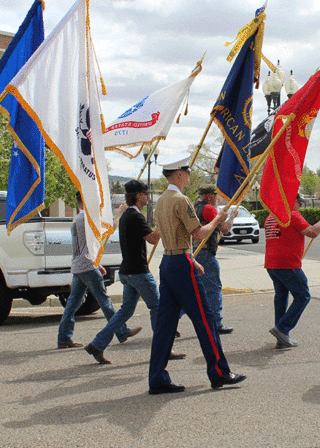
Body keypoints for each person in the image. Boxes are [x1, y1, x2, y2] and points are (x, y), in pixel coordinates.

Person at [148, 155, 246, 394]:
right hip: (181, 263)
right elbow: (199, 234)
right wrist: (218, 220)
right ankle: (219, 372)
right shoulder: (180, 200)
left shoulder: (161, 200)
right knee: (205, 318)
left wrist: (190, 258)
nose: (189, 176)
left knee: (165, 324)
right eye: (188, 172)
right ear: (179, 174)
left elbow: (170, 234)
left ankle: (157, 378)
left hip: (169, 261)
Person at [84, 180, 185, 364]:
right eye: (146, 194)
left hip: (128, 272)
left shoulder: (127, 215)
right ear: (139, 196)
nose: (148, 197)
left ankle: (97, 344)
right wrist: (165, 222)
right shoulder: (135, 217)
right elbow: (152, 239)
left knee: (125, 311)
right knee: (157, 308)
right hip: (138, 273)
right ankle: (164, 349)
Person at [57, 192, 140, 350]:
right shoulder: (86, 219)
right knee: (104, 300)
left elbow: (87, 245)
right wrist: (120, 212)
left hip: (79, 265)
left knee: (73, 304)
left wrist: (97, 263)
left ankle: (64, 337)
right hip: (87, 266)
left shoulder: (77, 218)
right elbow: (110, 229)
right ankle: (121, 331)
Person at [264, 194, 320, 348]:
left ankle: (282, 336)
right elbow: (312, 232)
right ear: (292, 201)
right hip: (288, 264)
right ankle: (282, 329)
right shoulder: (292, 215)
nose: (300, 206)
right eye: (299, 203)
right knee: (303, 296)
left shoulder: (271, 217)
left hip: (272, 264)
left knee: (281, 298)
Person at [193, 184, 237, 334]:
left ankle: (172, 322)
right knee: (213, 288)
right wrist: (232, 217)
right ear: (209, 196)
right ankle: (216, 323)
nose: (217, 198)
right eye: (215, 195)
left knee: (193, 290)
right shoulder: (209, 209)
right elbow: (224, 229)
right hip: (205, 253)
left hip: (192, 252)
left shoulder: (193, 207)